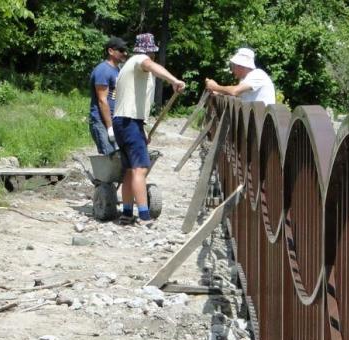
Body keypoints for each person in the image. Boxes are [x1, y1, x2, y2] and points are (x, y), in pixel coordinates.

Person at [112, 33, 186, 226]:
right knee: (140, 169)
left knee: (130, 170)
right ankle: (144, 217)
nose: (153, 56)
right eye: (152, 52)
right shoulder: (140, 60)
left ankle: (127, 213)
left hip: (124, 122)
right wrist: (173, 80)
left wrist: (141, 128)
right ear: (149, 51)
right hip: (129, 122)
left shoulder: (128, 66)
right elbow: (149, 64)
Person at [89, 36, 129, 155]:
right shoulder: (103, 70)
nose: (125, 53)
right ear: (111, 51)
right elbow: (102, 100)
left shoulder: (117, 70)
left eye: (125, 50)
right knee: (109, 156)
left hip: (114, 120)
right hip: (101, 121)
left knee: (119, 157)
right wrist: (110, 127)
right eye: (121, 50)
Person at [204, 47, 275, 105]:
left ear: (240, 66)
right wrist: (217, 92)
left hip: (262, 117)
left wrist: (215, 87)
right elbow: (235, 95)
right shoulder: (246, 79)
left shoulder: (257, 74)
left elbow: (234, 91)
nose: (232, 70)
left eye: (233, 66)